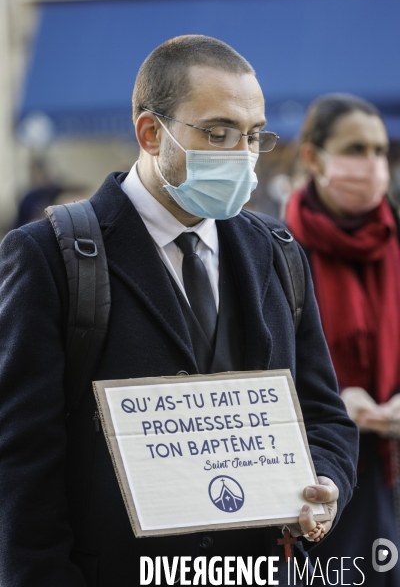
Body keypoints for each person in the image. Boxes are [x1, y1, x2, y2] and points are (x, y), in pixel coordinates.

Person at [0, 36, 357, 587]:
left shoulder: (278, 252)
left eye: (254, 136)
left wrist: (328, 481)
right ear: (150, 132)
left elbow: (325, 415)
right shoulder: (48, 256)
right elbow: (22, 464)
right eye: (218, 133)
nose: (241, 153)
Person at [286, 93, 400, 585]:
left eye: (380, 151)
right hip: (313, 474)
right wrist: (332, 404)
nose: (372, 165)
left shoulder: (394, 238)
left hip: (387, 465)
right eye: (356, 149)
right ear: (313, 156)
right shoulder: (275, 246)